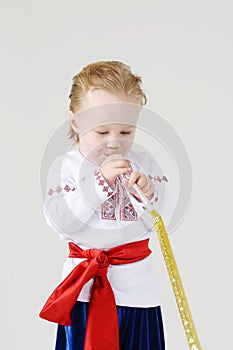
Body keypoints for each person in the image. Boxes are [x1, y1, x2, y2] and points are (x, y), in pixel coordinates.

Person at [40, 61, 176, 350]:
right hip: (85, 292)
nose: (114, 143)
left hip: (138, 292)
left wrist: (148, 194)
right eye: (102, 132)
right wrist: (98, 183)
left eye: (126, 132)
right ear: (76, 122)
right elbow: (61, 220)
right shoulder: (65, 166)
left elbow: (160, 220)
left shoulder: (144, 162)